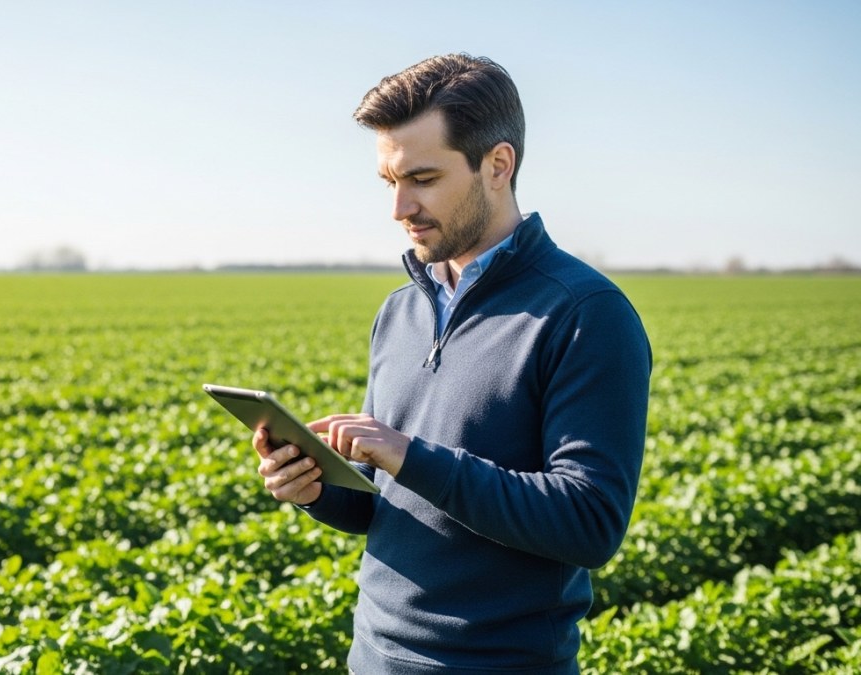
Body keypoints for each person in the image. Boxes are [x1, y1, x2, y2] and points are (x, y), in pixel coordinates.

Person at [252, 54, 652, 674]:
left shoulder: (584, 312)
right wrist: (317, 487)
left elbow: (588, 521)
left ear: (498, 165)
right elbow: (387, 505)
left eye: (424, 178)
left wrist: (408, 453)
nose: (399, 207)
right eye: (390, 182)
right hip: (374, 657)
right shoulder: (400, 311)